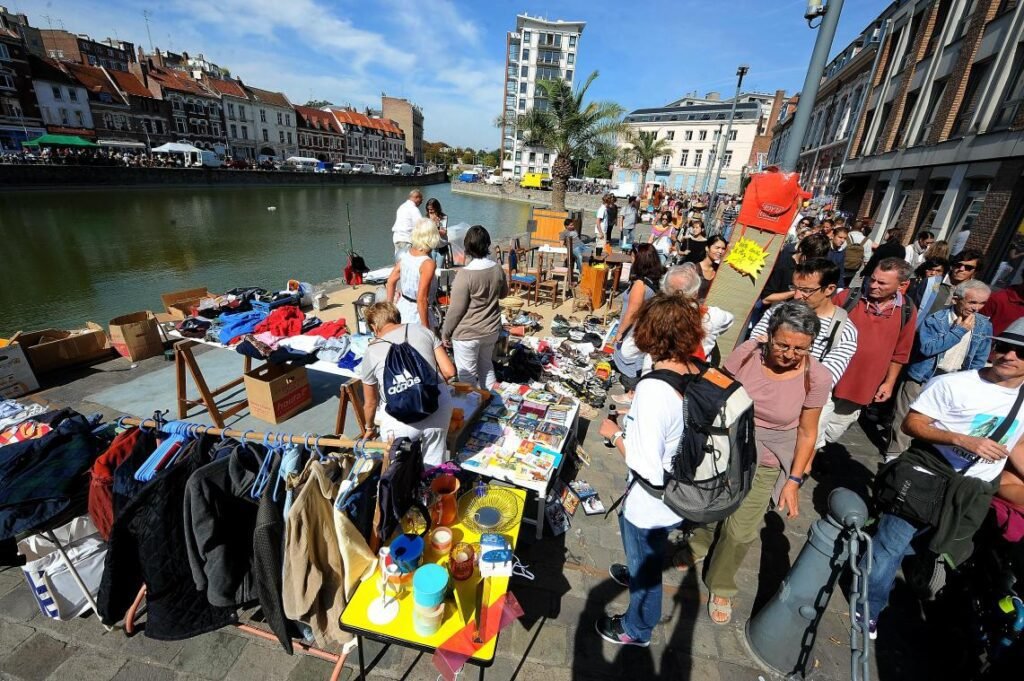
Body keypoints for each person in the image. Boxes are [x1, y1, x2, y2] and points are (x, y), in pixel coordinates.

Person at [863, 320, 1024, 639]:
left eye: (1020, 352)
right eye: (1003, 347)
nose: (1009, 355)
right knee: (889, 548)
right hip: (929, 478)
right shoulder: (955, 383)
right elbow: (912, 424)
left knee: (929, 546)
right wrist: (961, 440)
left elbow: (1016, 442)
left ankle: (877, 541)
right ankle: (869, 608)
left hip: (972, 492)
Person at [686, 302, 830, 624]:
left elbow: (807, 433)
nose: (789, 354)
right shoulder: (749, 353)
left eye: (800, 348)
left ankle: (720, 582)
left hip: (767, 457)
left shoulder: (816, 377)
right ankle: (698, 544)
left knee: (741, 530)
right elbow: (717, 392)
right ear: (769, 336)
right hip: (725, 446)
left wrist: (793, 481)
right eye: (782, 344)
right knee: (710, 507)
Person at [596, 294, 705, 647]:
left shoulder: (655, 389)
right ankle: (636, 570)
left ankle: (637, 628)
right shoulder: (697, 370)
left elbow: (644, 465)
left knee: (647, 567)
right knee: (648, 554)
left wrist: (615, 436)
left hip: (652, 501)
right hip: (681, 490)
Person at [750, 259, 859, 453]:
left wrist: (772, 349)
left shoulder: (844, 331)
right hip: (759, 401)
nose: (797, 295)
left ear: (829, 289)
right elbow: (752, 350)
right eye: (795, 287)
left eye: (806, 290)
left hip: (801, 414)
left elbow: (823, 381)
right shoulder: (777, 311)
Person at [886, 280, 993, 460]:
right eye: (972, 302)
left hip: (954, 380)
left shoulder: (983, 325)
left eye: (982, 303)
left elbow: (979, 358)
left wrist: (974, 382)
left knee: (938, 422)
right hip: (923, 376)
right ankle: (895, 455)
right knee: (905, 417)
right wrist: (958, 332)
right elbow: (927, 349)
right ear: (956, 299)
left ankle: (918, 457)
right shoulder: (937, 319)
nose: (977, 308)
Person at [822, 257, 918, 446]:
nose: (873, 285)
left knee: (834, 429)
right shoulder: (848, 298)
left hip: (861, 385)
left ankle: (810, 457)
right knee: (812, 425)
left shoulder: (907, 310)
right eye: (872, 279)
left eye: (882, 283)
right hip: (827, 376)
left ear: (902, 284)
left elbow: (900, 352)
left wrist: (889, 383)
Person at [359, 302, 456, 466]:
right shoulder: (423, 330)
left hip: (400, 419)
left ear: (374, 327)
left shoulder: (371, 351)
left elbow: (370, 403)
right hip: (436, 408)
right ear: (397, 318)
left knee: (400, 471)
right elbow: (449, 371)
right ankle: (432, 489)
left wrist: (369, 428)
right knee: (433, 466)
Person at [440, 226, 508, 389]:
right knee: (486, 368)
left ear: (467, 247)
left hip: (467, 333)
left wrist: (445, 333)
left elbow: (456, 311)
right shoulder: (497, 268)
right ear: (487, 245)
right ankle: (492, 402)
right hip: (490, 329)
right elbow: (504, 293)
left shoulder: (465, 274)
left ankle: (471, 410)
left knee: (467, 376)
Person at [611, 244, 664, 405]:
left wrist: (620, 332)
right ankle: (633, 391)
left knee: (628, 357)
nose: (631, 259)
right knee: (637, 358)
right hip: (644, 327)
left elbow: (632, 312)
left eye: (633, 257)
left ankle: (631, 393)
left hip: (635, 329)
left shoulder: (640, 284)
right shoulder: (652, 281)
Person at [386, 218, 439, 329]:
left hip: (403, 308)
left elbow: (390, 281)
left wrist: (389, 309)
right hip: (417, 315)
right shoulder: (427, 263)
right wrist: (426, 329)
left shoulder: (406, 255)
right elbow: (421, 299)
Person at [906, 257, 950, 325]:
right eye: (930, 269)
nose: (933, 273)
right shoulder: (913, 283)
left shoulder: (940, 288)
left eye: (938, 271)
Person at [392, 189, 423, 257]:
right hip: (406, 239)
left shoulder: (401, 207)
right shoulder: (413, 209)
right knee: (408, 262)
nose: (421, 202)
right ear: (417, 198)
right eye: (421, 200)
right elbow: (421, 225)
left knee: (399, 260)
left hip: (397, 238)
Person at [695, 235, 727, 302]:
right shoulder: (694, 270)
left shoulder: (720, 270)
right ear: (707, 248)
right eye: (717, 247)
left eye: (723, 249)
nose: (720, 251)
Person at [425, 197, 450, 269]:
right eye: (428, 209)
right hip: (431, 246)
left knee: (439, 269)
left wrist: (437, 225)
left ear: (437, 208)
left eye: (432, 210)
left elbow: (443, 232)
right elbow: (426, 232)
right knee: (430, 268)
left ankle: (439, 280)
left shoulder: (443, 217)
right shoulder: (427, 217)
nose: (430, 211)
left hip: (442, 246)